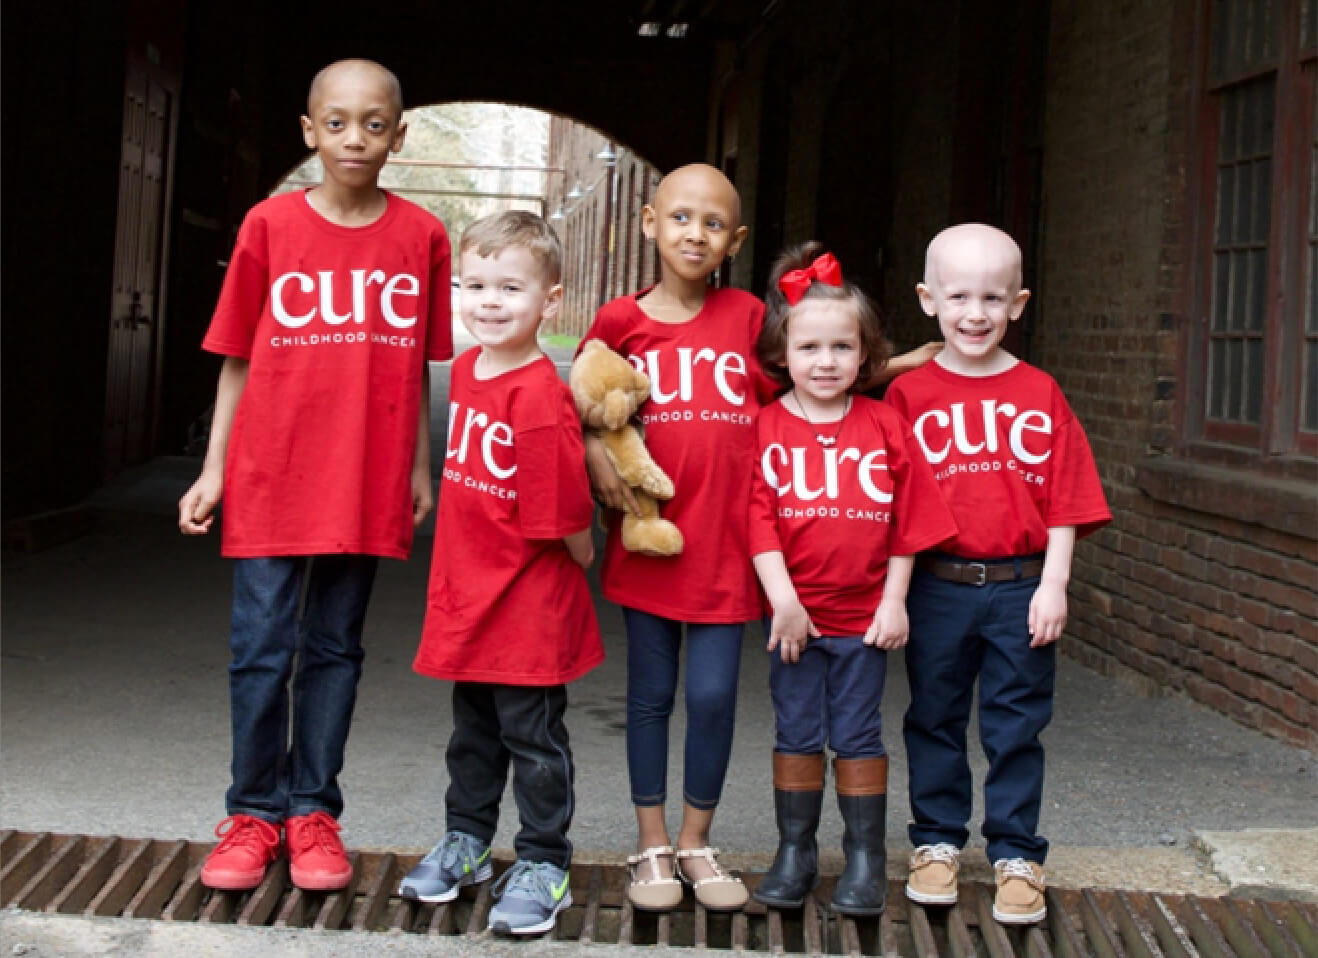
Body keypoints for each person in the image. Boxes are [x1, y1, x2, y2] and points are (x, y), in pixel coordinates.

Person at [177, 59, 453, 892]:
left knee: (334, 649)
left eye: (374, 124)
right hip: (270, 475)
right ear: (309, 131)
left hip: (363, 482)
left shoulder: (422, 236)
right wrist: (213, 469)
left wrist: (418, 470)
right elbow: (236, 361)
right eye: (337, 123)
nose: (355, 139)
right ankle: (252, 813)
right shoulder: (268, 226)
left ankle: (313, 813)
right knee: (260, 650)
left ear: (399, 135)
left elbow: (412, 374)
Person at [885, 223, 1111, 925]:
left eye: (992, 297)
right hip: (939, 585)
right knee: (935, 717)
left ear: (1018, 303)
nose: (974, 313)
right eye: (958, 296)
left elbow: (1067, 497)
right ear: (929, 299)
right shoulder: (909, 397)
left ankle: (1017, 852)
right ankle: (937, 842)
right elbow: (886, 503)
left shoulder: (1040, 391)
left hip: (1020, 584)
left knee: (1017, 723)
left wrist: (1055, 584)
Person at [581, 162, 778, 913]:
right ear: (649, 221)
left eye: (714, 224)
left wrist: (897, 364)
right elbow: (585, 405)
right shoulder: (619, 321)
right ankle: (652, 845)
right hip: (652, 544)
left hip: (728, 546)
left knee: (716, 695)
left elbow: (812, 382)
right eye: (682, 217)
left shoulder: (749, 318)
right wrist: (594, 452)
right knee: (651, 697)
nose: (696, 233)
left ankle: (698, 842)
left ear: (735, 241)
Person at [402, 211, 602, 937]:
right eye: (474, 284)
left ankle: (546, 860)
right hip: (470, 594)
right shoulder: (463, 369)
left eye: (510, 288)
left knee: (535, 742)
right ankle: (468, 841)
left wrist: (582, 552)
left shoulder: (540, 398)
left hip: (527, 607)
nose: (488, 301)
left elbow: (564, 515)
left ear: (549, 301)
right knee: (473, 735)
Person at [747, 244, 957, 916]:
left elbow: (908, 520)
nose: (827, 361)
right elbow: (758, 524)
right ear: (783, 353)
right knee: (798, 730)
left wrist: (895, 602)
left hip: (865, 617)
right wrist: (783, 603)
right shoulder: (767, 428)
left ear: (865, 355)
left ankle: (864, 857)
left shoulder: (886, 425)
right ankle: (796, 850)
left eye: (843, 347)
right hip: (796, 620)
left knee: (859, 734)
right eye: (811, 348)